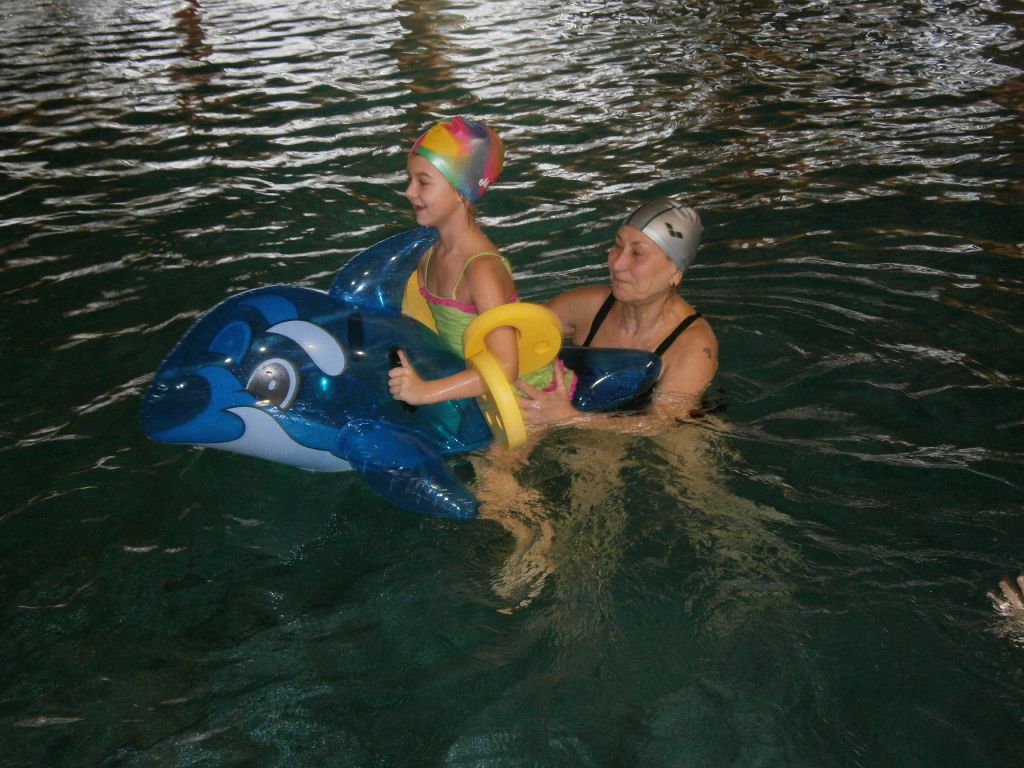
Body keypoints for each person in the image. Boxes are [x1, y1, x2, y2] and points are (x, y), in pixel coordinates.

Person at [388, 116, 568, 405]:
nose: (409, 191)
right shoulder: (428, 254)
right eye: (410, 180)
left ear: (462, 190)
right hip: (477, 384)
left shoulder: (480, 270)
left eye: (423, 182)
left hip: (526, 398)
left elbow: (506, 367)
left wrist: (426, 392)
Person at [516, 196, 718, 423]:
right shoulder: (586, 306)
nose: (616, 263)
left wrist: (569, 417)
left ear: (675, 271)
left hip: (668, 432)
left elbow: (662, 424)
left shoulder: (693, 346)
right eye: (618, 246)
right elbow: (517, 336)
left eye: (637, 253)